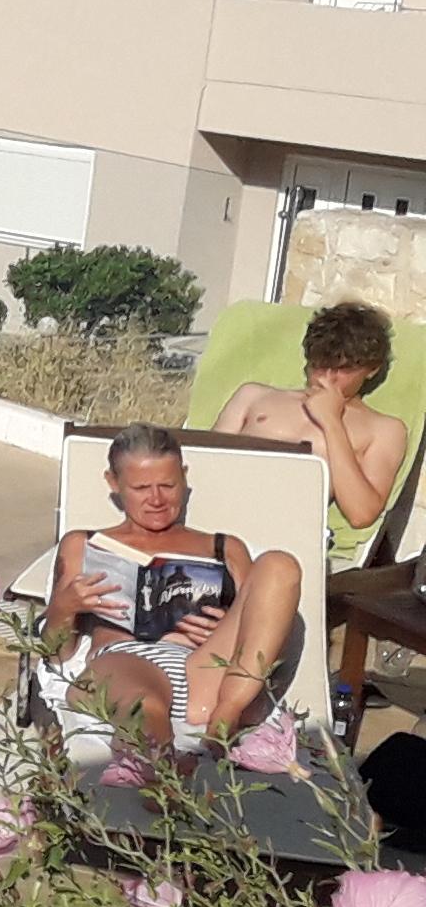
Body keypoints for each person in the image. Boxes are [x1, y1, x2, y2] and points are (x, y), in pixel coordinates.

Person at [41, 425, 301, 748]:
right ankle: (161, 775)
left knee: (280, 565)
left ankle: (227, 716)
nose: (156, 500)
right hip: (126, 660)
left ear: (184, 476)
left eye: (168, 485)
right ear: (113, 483)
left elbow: (272, 623)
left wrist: (236, 626)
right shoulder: (85, 544)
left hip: (208, 670)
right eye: (140, 488)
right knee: (143, 708)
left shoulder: (224, 547)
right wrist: (65, 608)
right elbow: (55, 654)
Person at [220, 300, 408, 571]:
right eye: (320, 365)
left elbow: (361, 513)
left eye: (343, 369)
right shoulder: (254, 396)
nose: (327, 378)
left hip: (284, 541)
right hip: (221, 518)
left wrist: (331, 421)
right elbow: (205, 464)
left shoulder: (384, 429)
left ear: (372, 369)